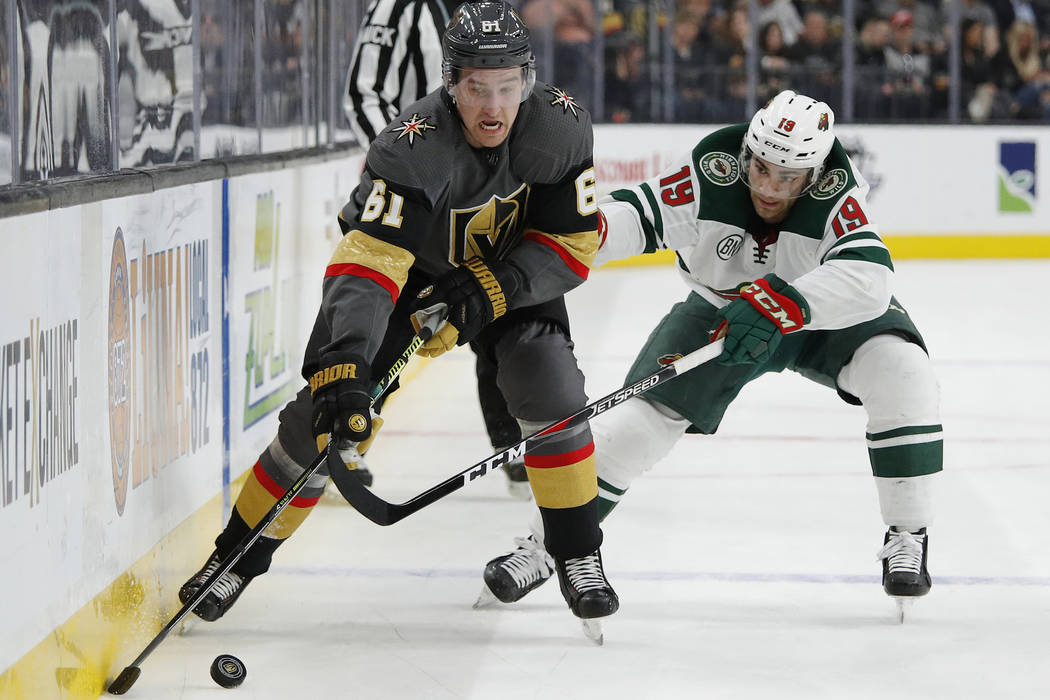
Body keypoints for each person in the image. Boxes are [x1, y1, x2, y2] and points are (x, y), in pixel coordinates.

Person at [179, 0, 618, 627]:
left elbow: (572, 246)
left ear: (528, 81)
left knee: (550, 387)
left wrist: (495, 286)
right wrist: (348, 358)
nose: (493, 107)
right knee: (321, 420)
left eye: (507, 87)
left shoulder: (560, 127)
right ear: (451, 84)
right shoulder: (412, 144)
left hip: (511, 278)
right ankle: (234, 559)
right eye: (476, 88)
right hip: (416, 280)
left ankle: (578, 555)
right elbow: (369, 261)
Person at [478, 90, 941, 617]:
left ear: (812, 176)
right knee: (632, 428)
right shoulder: (711, 174)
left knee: (906, 374)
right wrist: (567, 238)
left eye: (787, 179)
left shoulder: (837, 191)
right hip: (722, 313)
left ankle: (907, 534)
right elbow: (634, 216)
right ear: (746, 152)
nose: (769, 187)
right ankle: (545, 546)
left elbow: (871, 278)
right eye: (761, 168)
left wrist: (781, 303)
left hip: (818, 313)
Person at [342, 0, 547, 498]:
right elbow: (363, 92)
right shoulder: (401, 7)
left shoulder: (497, 14)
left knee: (497, 309)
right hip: (417, 205)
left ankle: (516, 444)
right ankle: (346, 435)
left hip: (486, 196)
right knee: (385, 326)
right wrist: (406, 171)